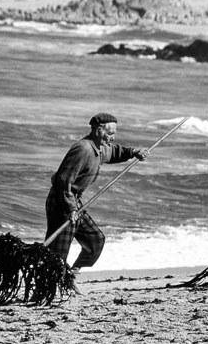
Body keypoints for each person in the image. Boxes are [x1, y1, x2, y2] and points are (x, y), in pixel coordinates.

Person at [46, 113, 148, 273]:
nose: (112, 138)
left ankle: (72, 275)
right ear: (98, 130)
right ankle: (46, 286)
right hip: (62, 200)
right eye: (110, 133)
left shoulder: (99, 148)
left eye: (114, 133)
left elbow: (114, 152)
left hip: (74, 201)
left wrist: (134, 152)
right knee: (57, 253)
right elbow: (63, 181)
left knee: (95, 240)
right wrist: (70, 208)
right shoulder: (83, 149)